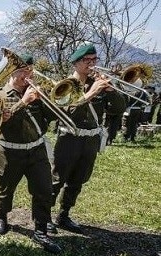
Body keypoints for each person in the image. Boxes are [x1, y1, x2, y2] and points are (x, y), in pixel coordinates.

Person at [51, 44, 126, 234]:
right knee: (57, 179)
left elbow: (118, 109)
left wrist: (110, 91)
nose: (92, 64)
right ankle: (44, 217)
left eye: (94, 60)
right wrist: (91, 92)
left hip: (90, 140)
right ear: (76, 63)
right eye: (87, 60)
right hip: (69, 137)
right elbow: (69, 113)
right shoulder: (66, 85)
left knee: (78, 179)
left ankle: (64, 214)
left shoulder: (98, 82)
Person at [0, 54, 62, 254]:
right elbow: (1, 123)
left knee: (43, 189)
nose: (27, 75)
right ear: (12, 72)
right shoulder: (0, 95)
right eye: (22, 70)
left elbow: (53, 117)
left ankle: (41, 230)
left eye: (29, 70)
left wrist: (48, 100)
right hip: (10, 151)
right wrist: (23, 102)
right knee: (5, 188)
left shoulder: (37, 92)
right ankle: (2, 218)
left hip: (36, 150)